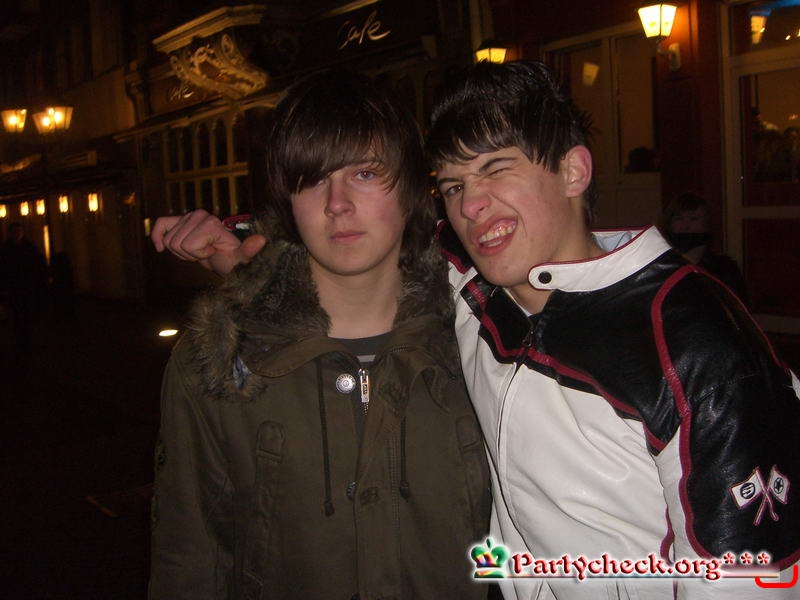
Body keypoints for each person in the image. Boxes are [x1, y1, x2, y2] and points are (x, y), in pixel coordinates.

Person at [153, 61, 800, 599]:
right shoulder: (475, 295)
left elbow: (753, 578)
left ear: (574, 170)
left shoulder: (695, 341)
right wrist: (237, 244)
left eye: (496, 168)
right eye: (454, 183)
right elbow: (346, 238)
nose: (472, 204)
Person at [148, 70, 491, 600]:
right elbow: (189, 561)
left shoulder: (481, 344)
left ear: (411, 188)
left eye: (365, 173)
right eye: (311, 179)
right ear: (287, 201)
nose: (337, 203)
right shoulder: (216, 362)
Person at [661, 192, 749, 304]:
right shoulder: (662, 266)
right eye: (678, 219)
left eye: (693, 219)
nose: (685, 226)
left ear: (706, 223)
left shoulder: (724, 268)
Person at [0, 222, 48, 362]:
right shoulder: (7, 249)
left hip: (26, 288)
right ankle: (21, 343)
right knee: (17, 316)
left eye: (19, 231)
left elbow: (37, 266)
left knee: (26, 315)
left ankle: (26, 342)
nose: (17, 234)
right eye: (15, 231)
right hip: (14, 289)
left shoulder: (28, 248)